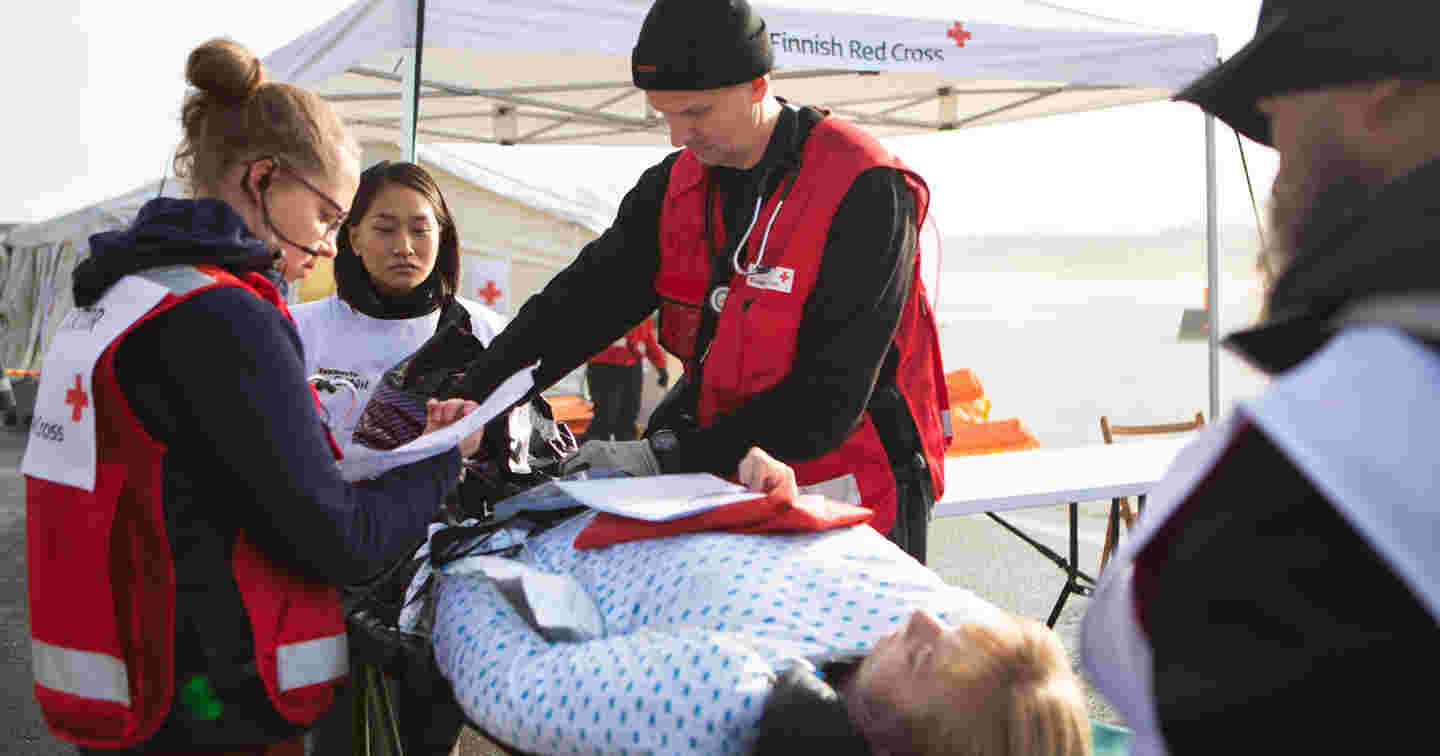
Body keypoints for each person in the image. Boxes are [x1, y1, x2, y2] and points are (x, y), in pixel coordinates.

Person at [21, 38, 484, 754]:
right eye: (327, 217)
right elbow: (341, 540)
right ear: (264, 177)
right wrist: (445, 459)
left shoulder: (118, 294)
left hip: (127, 679)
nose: (328, 246)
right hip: (211, 700)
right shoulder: (227, 318)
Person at [451, 0, 951, 564]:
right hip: (726, 471)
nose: (677, 136)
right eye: (664, 115)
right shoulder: (673, 189)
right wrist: (476, 392)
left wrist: (668, 455)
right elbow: (578, 306)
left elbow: (831, 394)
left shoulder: (865, 187)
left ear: (759, 84)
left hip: (851, 481)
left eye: (696, 113)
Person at [1081, 4, 1440, 755]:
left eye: (1281, 94)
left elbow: (1142, 636)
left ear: (1385, 84)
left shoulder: (1303, 477)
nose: (1271, 125)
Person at [431, 447, 1089, 756]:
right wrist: (774, 503)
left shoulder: (722, 702)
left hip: (527, 529)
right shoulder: (964, 648)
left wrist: (457, 568)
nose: (921, 622)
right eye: (949, 627)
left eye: (922, 658)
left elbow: (513, 684)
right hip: (654, 492)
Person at [292, 160, 506, 462]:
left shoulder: (485, 331)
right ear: (354, 238)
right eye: (385, 229)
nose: (404, 247)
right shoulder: (297, 329)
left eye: (420, 230)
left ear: (441, 235)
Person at [580, 317, 667, 443]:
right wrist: (632, 344)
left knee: (629, 414)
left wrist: (661, 368)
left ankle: (627, 449)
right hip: (604, 366)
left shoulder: (645, 317)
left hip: (632, 367)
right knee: (606, 415)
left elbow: (648, 340)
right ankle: (592, 450)